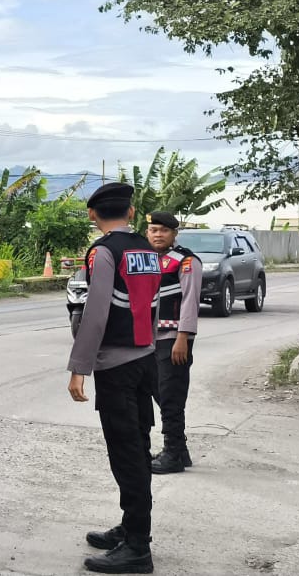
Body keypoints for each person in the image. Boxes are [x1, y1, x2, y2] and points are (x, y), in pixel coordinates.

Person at [68, 182, 161, 574]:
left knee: (126, 453)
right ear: (132, 212)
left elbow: (96, 313)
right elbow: (154, 304)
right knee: (138, 446)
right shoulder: (147, 249)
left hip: (117, 367)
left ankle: (138, 546)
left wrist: (80, 367)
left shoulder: (103, 252)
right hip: (145, 360)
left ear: (93, 214)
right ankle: (131, 526)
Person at [144, 212, 202, 474]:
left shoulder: (186, 261)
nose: (158, 235)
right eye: (153, 230)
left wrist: (183, 337)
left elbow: (190, 301)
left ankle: (173, 455)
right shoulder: (147, 259)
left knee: (171, 397)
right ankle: (179, 450)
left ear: (174, 234)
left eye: (163, 230)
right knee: (159, 392)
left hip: (174, 340)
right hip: (151, 339)